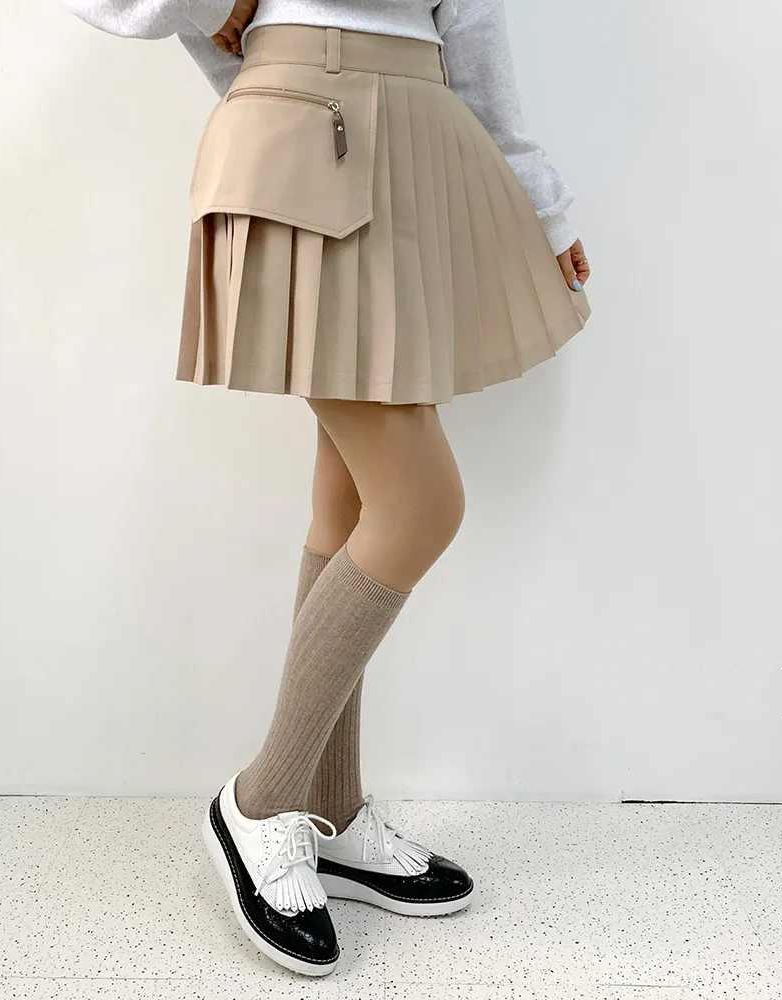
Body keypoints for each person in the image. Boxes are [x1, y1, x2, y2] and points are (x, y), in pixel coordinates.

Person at [62, 0, 592, 977]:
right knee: (421, 506)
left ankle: (331, 814)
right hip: (302, 135)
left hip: (420, 151)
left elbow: (472, 27)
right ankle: (262, 800)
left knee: (348, 504)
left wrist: (540, 199)